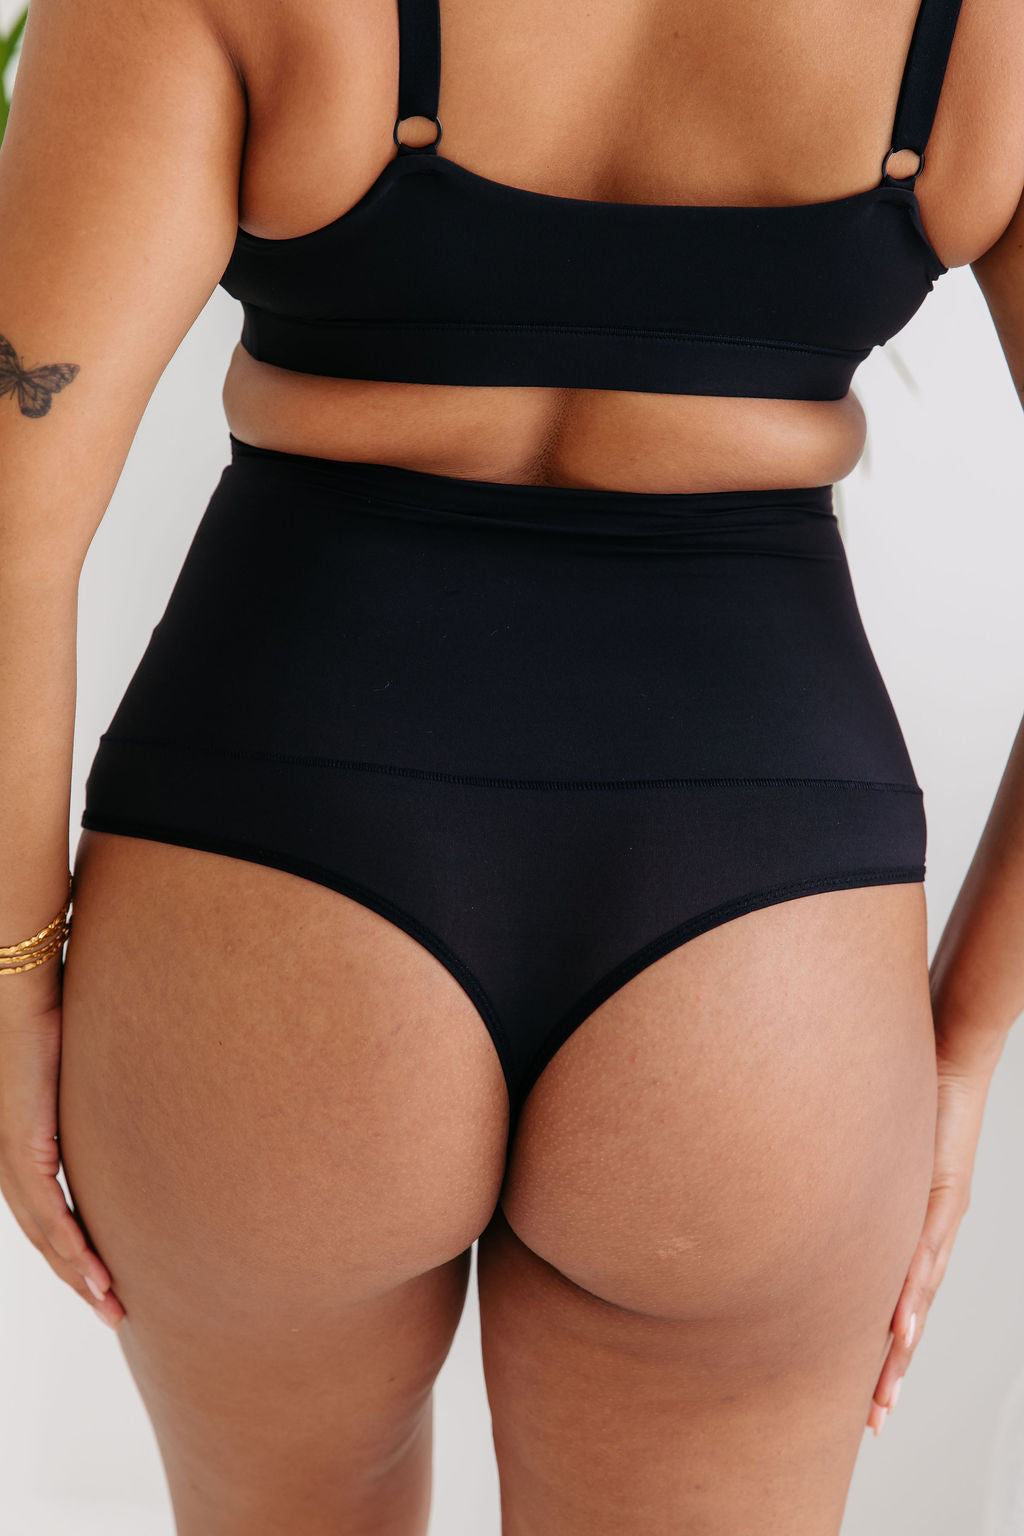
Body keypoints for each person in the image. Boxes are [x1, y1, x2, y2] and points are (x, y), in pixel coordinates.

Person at [1, 0, 1022, 1530]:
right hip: (764, 938)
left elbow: (9, 513)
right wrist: (963, 1041)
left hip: (271, 872)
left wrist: (11, 974)